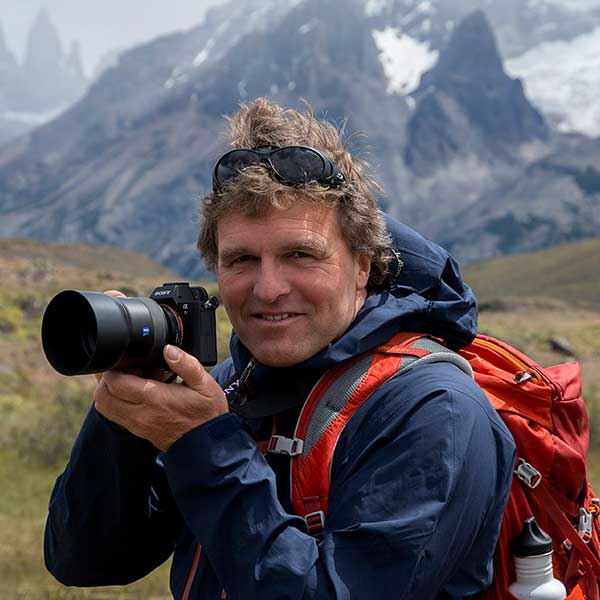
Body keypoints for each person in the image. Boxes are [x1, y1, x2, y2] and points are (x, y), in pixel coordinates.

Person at [44, 98, 516, 599]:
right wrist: (122, 419)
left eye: (300, 255)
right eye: (242, 259)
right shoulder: (233, 386)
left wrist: (204, 444)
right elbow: (85, 560)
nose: (267, 288)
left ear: (362, 267)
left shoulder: (433, 410)